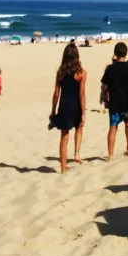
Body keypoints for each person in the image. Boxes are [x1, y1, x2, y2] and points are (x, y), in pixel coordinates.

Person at [49, 43, 87, 173]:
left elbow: (56, 94)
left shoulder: (60, 73)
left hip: (64, 105)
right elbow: (82, 94)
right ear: (77, 56)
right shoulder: (81, 73)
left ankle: (63, 168)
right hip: (76, 105)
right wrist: (83, 112)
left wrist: (53, 110)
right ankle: (76, 153)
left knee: (64, 137)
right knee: (79, 127)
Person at [101, 42, 128, 159]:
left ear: (115, 54)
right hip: (126, 101)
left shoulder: (110, 68)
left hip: (114, 102)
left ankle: (110, 155)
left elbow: (105, 86)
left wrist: (105, 100)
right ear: (126, 53)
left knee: (113, 127)